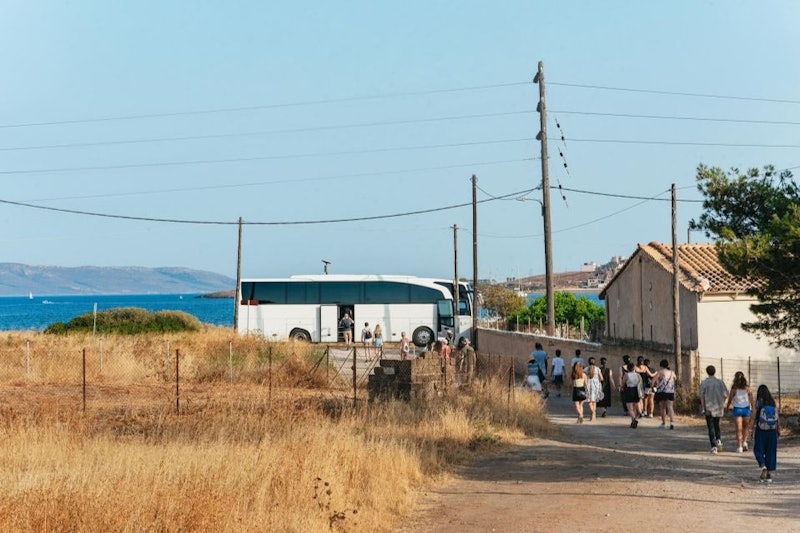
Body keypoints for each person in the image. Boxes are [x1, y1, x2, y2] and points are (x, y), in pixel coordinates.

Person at [750, 384, 779, 482]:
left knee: (758, 449)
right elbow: (777, 417)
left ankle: (763, 466)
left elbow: (753, 416)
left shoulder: (758, 402)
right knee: (771, 451)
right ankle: (769, 474)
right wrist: (778, 429)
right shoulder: (772, 402)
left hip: (761, 430)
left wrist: (750, 430)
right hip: (772, 430)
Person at [699, 365, 729, 454]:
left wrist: (703, 407)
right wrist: (722, 403)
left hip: (709, 407)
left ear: (707, 372)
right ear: (714, 371)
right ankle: (718, 439)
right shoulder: (720, 382)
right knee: (717, 425)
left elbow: (701, 396)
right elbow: (726, 394)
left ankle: (713, 446)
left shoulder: (705, 382)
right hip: (718, 407)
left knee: (711, 427)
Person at [725, 371, 754, 453]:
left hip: (737, 409)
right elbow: (751, 399)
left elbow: (730, 399)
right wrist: (753, 408)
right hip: (746, 409)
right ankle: (744, 442)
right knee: (746, 427)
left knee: (738, 429)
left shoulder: (734, 388)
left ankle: (739, 447)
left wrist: (727, 407)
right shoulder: (748, 388)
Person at [651, 359, 676, 430]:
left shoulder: (660, 372)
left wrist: (653, 387)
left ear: (661, 365)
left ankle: (664, 423)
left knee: (662, 407)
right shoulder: (672, 372)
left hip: (662, 391)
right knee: (670, 407)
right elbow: (675, 378)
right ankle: (672, 422)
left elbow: (653, 381)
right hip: (670, 391)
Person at [622, 362, 643, 428]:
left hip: (629, 390)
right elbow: (641, 383)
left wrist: (621, 387)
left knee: (630, 408)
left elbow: (623, 383)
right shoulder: (638, 375)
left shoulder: (626, 375)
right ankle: (632, 422)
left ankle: (634, 419)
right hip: (636, 391)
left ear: (628, 368)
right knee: (634, 408)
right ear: (634, 368)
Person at [585, 357, 604, 421]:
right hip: (596, 386)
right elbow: (601, 378)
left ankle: (592, 412)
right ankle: (594, 414)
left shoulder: (586, 369)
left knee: (590, 401)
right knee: (594, 401)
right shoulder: (597, 369)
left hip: (588, 386)